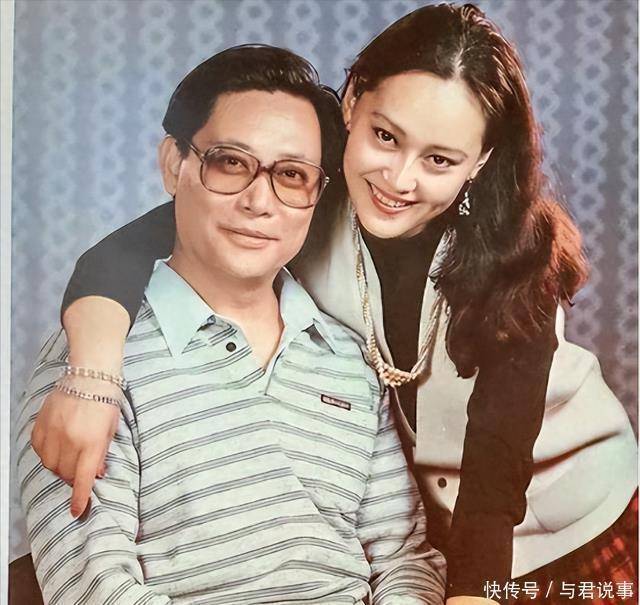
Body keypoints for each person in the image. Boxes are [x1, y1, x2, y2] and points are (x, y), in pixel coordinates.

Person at [30, 4, 637, 604]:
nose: (399, 179)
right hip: (428, 539)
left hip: (564, 518)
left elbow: (493, 469)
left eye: (439, 160)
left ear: (479, 162)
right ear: (352, 103)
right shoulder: (293, 192)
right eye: (384, 136)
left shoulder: (518, 254)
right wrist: (93, 376)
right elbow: (123, 252)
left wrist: (470, 593)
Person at [16, 45, 447, 604]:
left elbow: (404, 559)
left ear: (318, 193)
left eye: (291, 175)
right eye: (230, 163)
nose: (259, 202)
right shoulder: (88, 366)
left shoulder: (349, 359)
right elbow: (92, 589)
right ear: (173, 165)